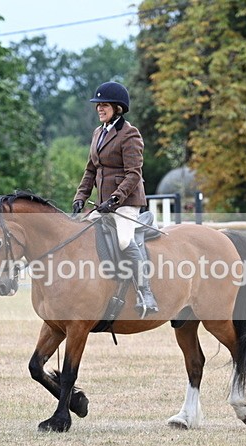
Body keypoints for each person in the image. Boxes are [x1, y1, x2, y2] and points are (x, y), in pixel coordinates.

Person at [71, 81, 158, 316]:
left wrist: (115, 200)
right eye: (98, 105)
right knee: (80, 232)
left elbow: (133, 174)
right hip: (104, 205)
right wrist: (80, 197)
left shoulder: (130, 134)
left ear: (118, 108)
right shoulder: (98, 133)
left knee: (123, 240)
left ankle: (145, 291)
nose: (99, 108)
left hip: (127, 203)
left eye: (105, 105)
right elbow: (90, 170)